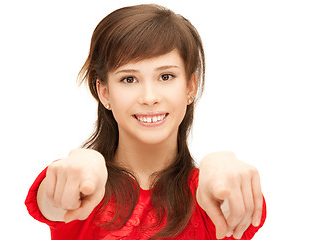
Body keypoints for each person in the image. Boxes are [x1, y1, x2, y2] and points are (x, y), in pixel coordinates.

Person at [25, 4, 266, 240]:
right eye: (129, 79)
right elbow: (54, 202)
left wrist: (225, 170)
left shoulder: (211, 194)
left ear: (191, 86)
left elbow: (235, 210)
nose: (149, 97)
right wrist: (83, 165)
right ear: (104, 92)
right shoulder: (81, 183)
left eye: (166, 76)